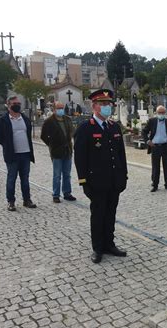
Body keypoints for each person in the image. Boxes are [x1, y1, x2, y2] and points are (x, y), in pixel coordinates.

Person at [74, 89, 128, 264]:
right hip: (96, 183)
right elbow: (80, 158)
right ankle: (98, 248)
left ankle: (109, 244)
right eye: (103, 104)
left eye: (109, 104)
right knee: (97, 216)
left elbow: (121, 154)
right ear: (94, 106)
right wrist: (83, 182)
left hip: (114, 181)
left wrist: (124, 176)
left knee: (110, 214)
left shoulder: (114, 127)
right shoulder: (85, 128)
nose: (107, 107)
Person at [0, 96, 37, 211]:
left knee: (25, 178)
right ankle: (11, 201)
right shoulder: (3, 120)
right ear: (8, 105)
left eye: (18, 103)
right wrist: (7, 145)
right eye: (14, 103)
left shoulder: (25, 119)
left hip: (26, 153)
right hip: (12, 155)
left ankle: (27, 200)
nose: (17, 105)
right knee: (11, 178)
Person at [40, 101, 77, 203]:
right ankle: (56, 194)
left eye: (62, 108)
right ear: (54, 109)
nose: (61, 110)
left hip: (67, 150)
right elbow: (43, 136)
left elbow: (72, 132)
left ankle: (67, 193)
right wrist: (51, 144)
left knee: (67, 174)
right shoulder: (49, 121)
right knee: (57, 175)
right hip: (56, 151)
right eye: (59, 108)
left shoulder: (67, 119)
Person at [142, 105, 167, 192]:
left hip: (166, 146)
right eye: (159, 113)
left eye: (162, 113)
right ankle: (155, 185)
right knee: (155, 167)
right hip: (155, 147)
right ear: (156, 113)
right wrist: (147, 141)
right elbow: (144, 131)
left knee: (166, 166)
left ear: (165, 113)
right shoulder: (152, 121)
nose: (161, 114)